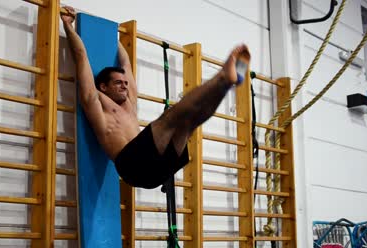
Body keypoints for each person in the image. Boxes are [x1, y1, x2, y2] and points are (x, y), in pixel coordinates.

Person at [61, 6, 251, 189]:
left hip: (157, 170)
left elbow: (125, 62)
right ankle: (222, 77)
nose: (125, 85)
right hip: (131, 166)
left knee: (188, 123)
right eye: (118, 83)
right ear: (103, 87)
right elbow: (80, 56)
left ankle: (225, 84)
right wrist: (68, 26)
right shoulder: (95, 102)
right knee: (170, 117)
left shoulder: (130, 102)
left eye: (125, 82)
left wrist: (111, 35)